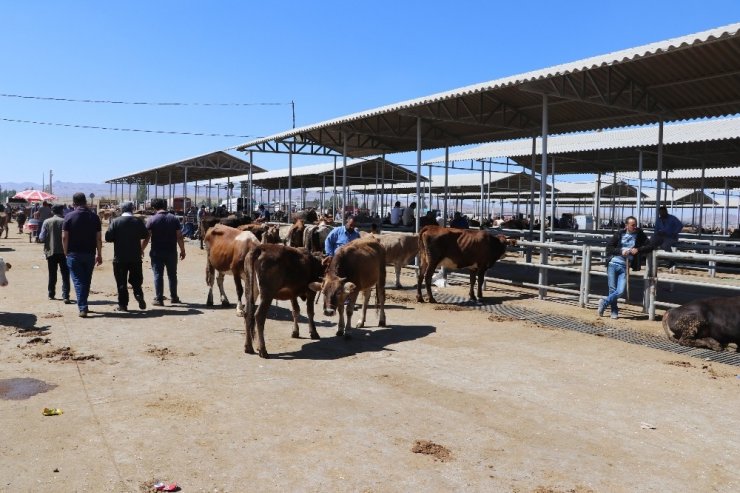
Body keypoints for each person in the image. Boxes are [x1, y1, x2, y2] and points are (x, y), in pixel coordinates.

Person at [598, 216, 655, 320]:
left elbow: (650, 246)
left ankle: (604, 302)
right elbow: (609, 248)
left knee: (620, 291)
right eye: (632, 225)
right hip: (613, 263)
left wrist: (638, 249)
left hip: (625, 266)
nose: (635, 227)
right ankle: (614, 311)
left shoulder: (639, 234)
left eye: (635, 224)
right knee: (612, 289)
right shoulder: (619, 234)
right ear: (626, 225)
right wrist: (621, 251)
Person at [62, 192, 103, 317]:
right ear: (85, 202)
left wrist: (65, 252)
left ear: (73, 203)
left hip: (73, 254)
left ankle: (83, 307)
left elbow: (64, 237)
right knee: (86, 280)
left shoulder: (68, 217)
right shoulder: (94, 217)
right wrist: (99, 254)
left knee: (78, 281)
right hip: (89, 254)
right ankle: (83, 304)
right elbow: (98, 238)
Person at [105, 201, 150, 312]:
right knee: (136, 280)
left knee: (121, 282)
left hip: (120, 257)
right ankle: (138, 294)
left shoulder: (116, 222)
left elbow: (108, 237)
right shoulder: (137, 221)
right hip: (135, 257)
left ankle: (123, 305)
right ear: (132, 209)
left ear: (121, 209)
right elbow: (145, 234)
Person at [143, 198, 185, 306]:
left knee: (158, 274)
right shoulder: (174, 219)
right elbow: (179, 236)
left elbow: (147, 238)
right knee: (172, 275)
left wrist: (141, 249)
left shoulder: (152, 219)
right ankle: (174, 297)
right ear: (165, 206)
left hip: (157, 252)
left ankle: (159, 299)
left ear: (154, 207)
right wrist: (182, 250)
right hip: (171, 251)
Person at [39, 205, 71, 303]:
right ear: (62, 211)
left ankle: (51, 294)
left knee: (52, 274)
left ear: (52, 211)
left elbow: (41, 237)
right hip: (65, 252)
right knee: (65, 274)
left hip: (51, 252)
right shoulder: (66, 221)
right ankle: (65, 295)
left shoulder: (47, 222)